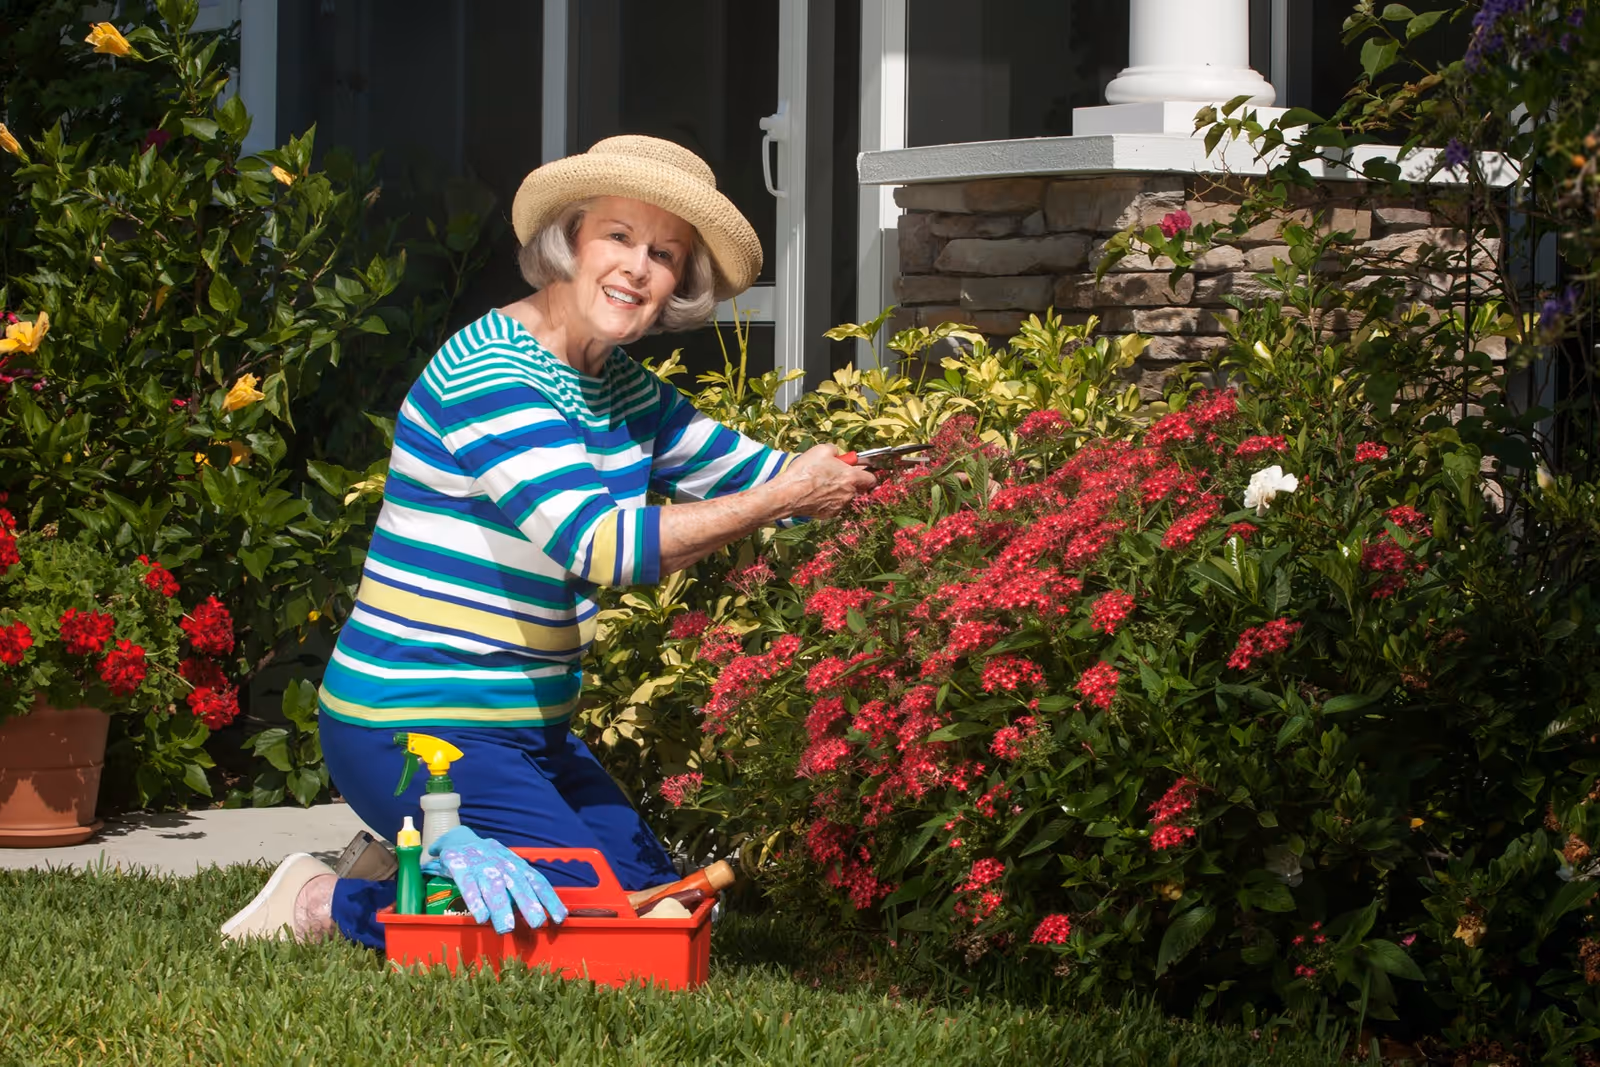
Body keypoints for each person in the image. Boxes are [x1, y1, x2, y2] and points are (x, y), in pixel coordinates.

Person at [221, 136, 877, 946]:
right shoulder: (494, 371)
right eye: (618, 236)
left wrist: (859, 478)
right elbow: (600, 545)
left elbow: (756, 480)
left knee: (661, 908)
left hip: (527, 731)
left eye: (664, 253)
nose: (638, 267)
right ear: (569, 238)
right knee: (579, 930)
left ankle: (413, 869)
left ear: (679, 283)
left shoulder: (623, 388)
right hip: (411, 727)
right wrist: (783, 494)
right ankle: (324, 900)